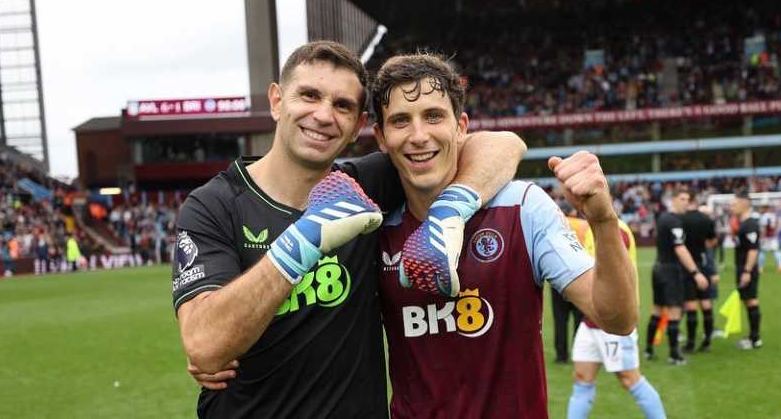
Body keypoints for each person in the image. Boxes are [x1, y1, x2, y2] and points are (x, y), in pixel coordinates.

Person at [174, 41, 525, 418]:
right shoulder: (213, 205)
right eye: (309, 95)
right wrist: (300, 243)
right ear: (276, 101)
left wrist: (451, 209)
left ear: (359, 125)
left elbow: (502, 145)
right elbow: (206, 345)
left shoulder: (366, 187)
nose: (324, 115)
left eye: (342, 106)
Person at [370, 52, 637, 417]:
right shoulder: (374, 226)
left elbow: (618, 319)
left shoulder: (522, 207)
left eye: (434, 116)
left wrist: (604, 220)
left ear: (461, 127)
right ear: (381, 137)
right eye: (401, 121)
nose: (419, 136)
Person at [566, 210, 666, 419]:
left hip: (615, 322)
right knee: (582, 377)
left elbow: (609, 275)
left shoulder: (614, 230)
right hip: (591, 320)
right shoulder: (590, 229)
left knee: (630, 378)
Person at [644, 188, 708, 364]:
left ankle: (648, 349)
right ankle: (674, 355)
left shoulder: (664, 218)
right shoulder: (674, 221)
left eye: (688, 199)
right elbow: (680, 249)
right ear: (673, 200)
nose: (686, 202)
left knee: (657, 310)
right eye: (682, 198)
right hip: (670, 271)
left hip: (658, 268)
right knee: (674, 311)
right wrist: (696, 273)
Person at [680, 191, 719, 353]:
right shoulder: (707, 220)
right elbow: (713, 241)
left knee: (690, 304)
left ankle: (690, 342)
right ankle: (707, 341)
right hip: (703, 262)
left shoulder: (680, 220)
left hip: (687, 265)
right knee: (706, 302)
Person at [553, 202, 586, 363]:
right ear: (573, 211)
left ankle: (561, 355)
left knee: (560, 319)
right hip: (579, 276)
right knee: (579, 318)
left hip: (557, 276)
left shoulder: (555, 224)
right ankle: (579, 352)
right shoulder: (583, 225)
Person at [731, 192, 763, 349]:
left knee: (751, 300)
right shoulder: (743, 223)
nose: (732, 207)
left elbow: (753, 250)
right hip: (742, 268)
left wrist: (747, 271)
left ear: (745, 204)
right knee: (747, 300)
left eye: (734, 204)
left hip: (746, 269)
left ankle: (755, 338)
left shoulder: (750, 224)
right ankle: (753, 336)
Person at [759, 205, 781, 273]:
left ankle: (760, 268)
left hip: (767, 237)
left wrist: (762, 237)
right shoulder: (773, 215)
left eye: (761, 208)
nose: (760, 209)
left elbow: (764, 228)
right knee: (776, 251)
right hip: (773, 236)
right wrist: (776, 233)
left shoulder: (765, 216)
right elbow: (777, 224)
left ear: (765, 208)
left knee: (761, 252)